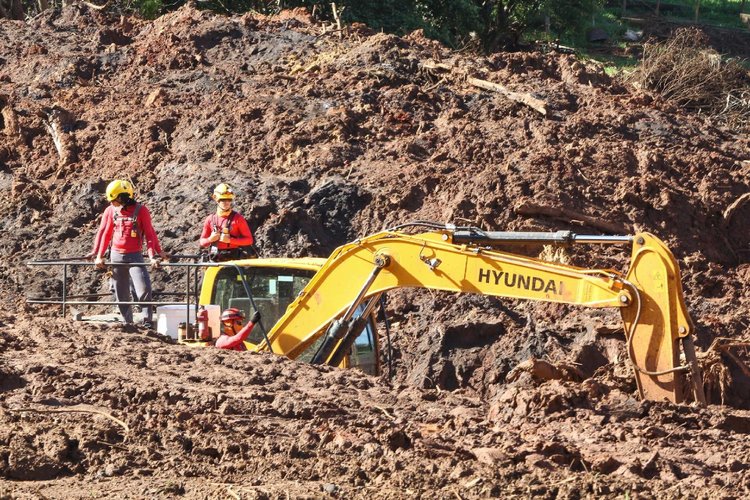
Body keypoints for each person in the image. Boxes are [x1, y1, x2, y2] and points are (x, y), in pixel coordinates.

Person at [90, 179, 167, 328]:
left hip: (135, 256)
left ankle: (147, 321)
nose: (112, 203)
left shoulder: (141, 210)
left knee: (143, 287)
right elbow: (105, 233)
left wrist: (153, 255)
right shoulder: (110, 211)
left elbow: (150, 234)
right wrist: (99, 255)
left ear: (123, 197)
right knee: (121, 291)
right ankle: (127, 322)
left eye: (115, 200)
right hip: (116, 255)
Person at [199, 183, 255, 261]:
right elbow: (202, 242)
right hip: (215, 258)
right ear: (215, 198)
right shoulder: (210, 219)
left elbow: (249, 240)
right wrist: (210, 239)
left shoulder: (238, 218)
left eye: (229, 200)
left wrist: (230, 240)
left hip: (233, 259)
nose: (227, 202)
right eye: (223, 199)